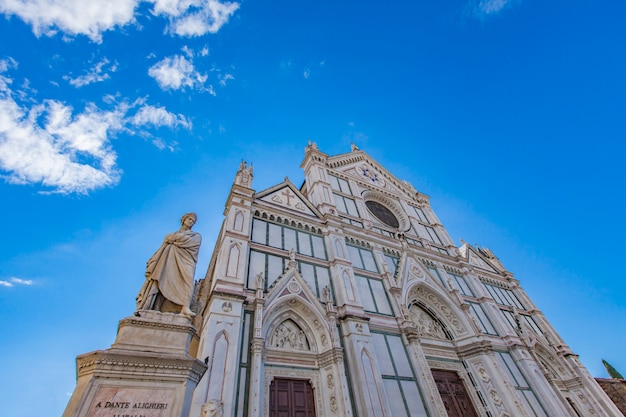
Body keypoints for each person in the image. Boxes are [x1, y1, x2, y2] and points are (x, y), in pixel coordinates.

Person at [136, 212, 202, 317]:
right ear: (183, 220)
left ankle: (185, 307)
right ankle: (155, 307)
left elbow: (193, 243)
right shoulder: (170, 235)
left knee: (188, 281)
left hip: (186, 260)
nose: (191, 222)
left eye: (193, 221)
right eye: (189, 219)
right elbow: (162, 248)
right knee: (163, 279)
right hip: (168, 260)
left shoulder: (196, 236)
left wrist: (175, 240)